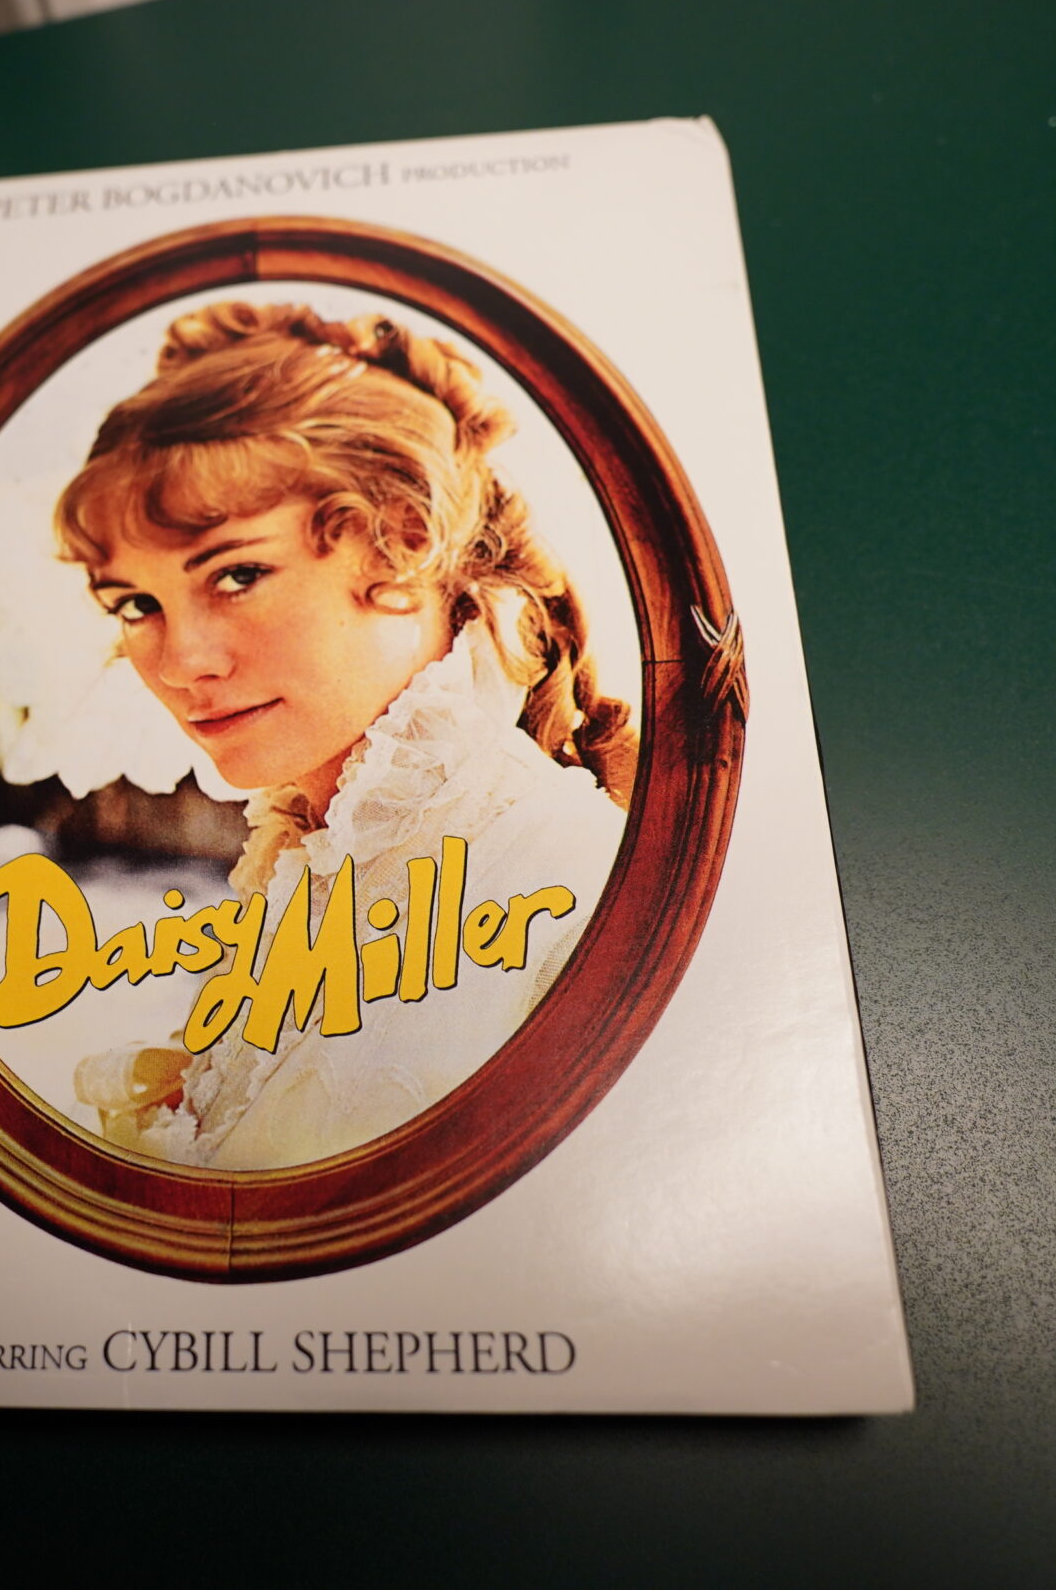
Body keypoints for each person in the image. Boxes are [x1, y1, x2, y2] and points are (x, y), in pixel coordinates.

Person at [55, 301, 635, 1170]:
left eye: (237, 573)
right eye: (136, 603)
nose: (179, 663)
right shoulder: (300, 873)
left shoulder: (582, 884)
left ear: (406, 539)